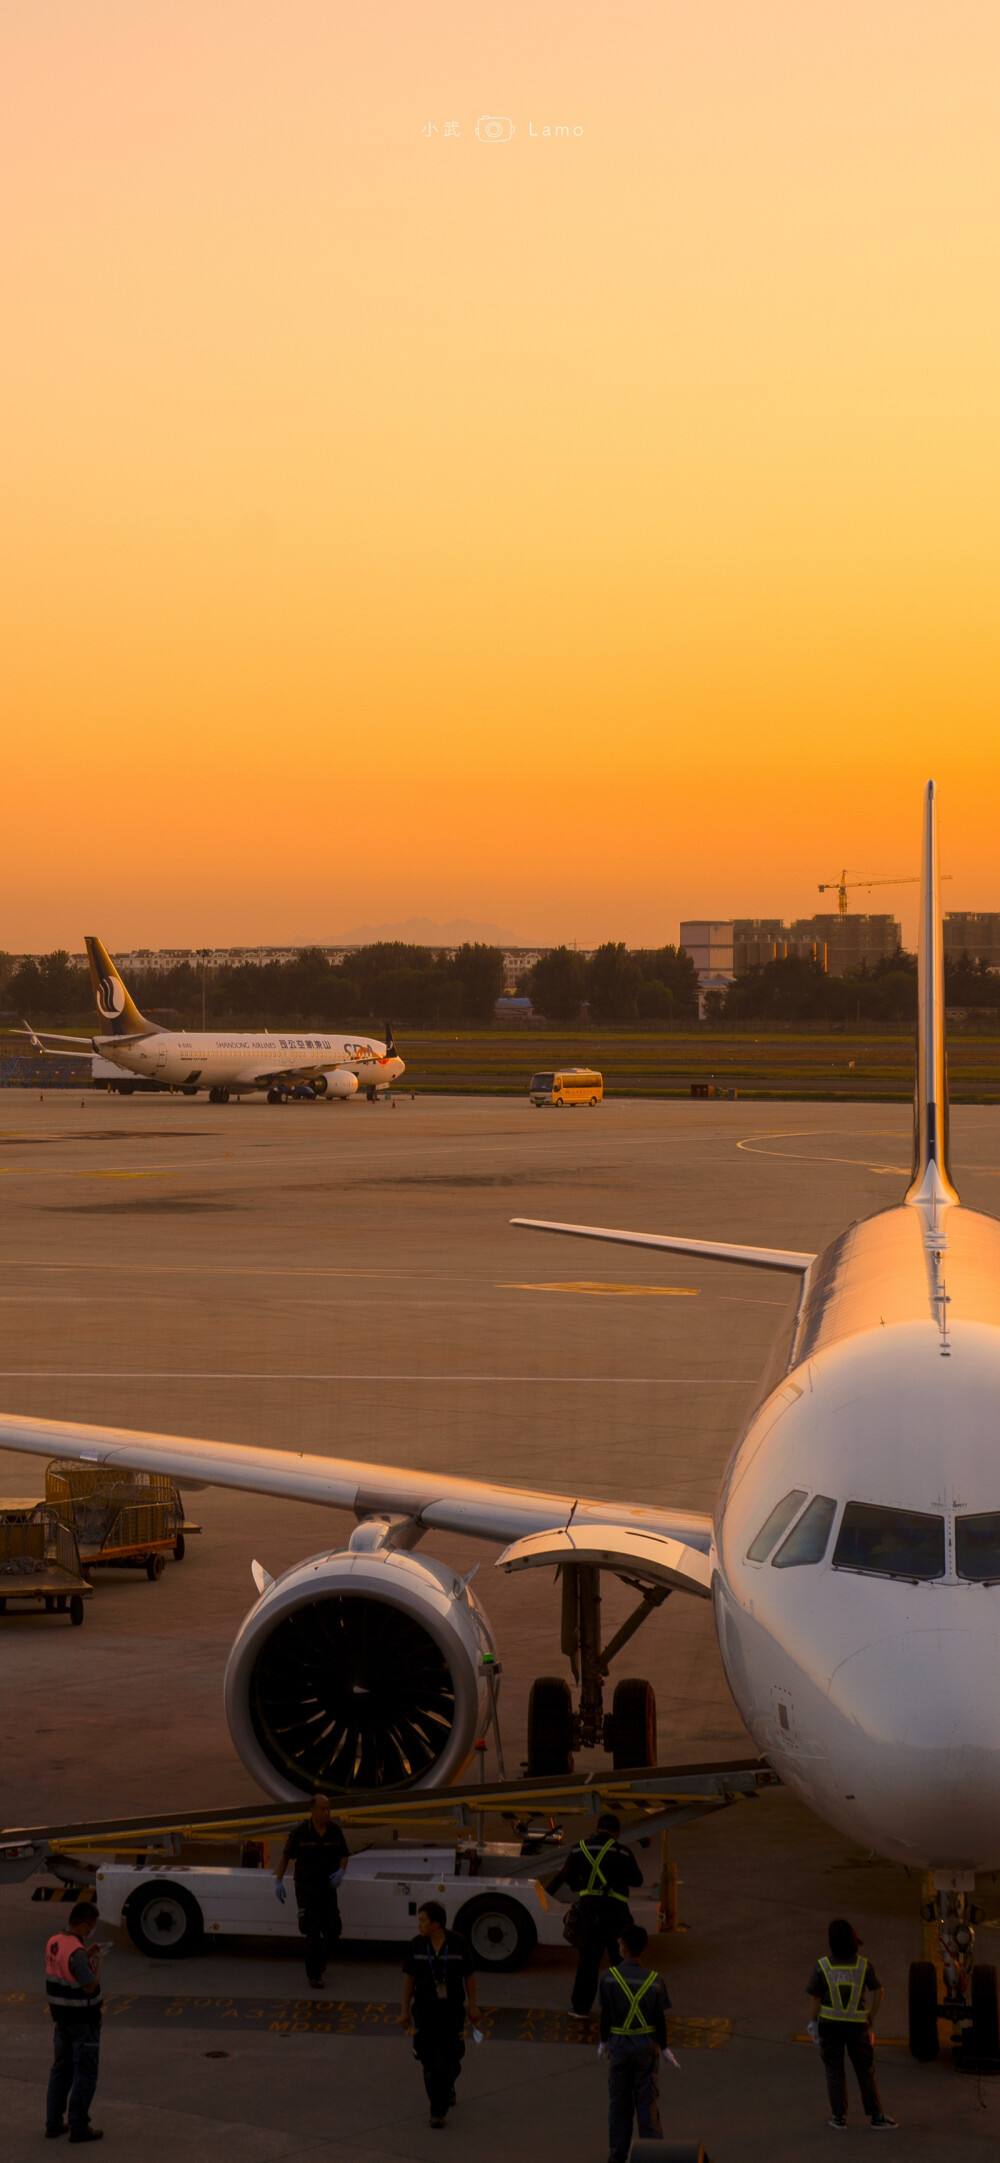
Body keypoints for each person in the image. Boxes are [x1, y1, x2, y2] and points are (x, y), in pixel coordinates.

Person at [548, 1811, 643, 2013]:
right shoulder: (623, 1852)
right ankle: (624, 2007)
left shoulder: (579, 1849)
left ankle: (580, 2008)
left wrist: (581, 1888)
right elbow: (637, 1880)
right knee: (621, 1962)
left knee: (588, 1964)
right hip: (617, 1915)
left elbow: (566, 1876)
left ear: (597, 1829)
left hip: (589, 1915)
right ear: (616, 1832)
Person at [806, 1917, 897, 2130]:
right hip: (857, 2027)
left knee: (834, 2072)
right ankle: (876, 2116)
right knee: (865, 2071)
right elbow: (879, 1991)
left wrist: (813, 2022)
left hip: (829, 2027)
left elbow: (816, 1999)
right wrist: (871, 2015)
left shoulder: (822, 1966)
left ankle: (838, 2117)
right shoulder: (863, 1965)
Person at [400, 1900, 480, 2129]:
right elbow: (409, 1981)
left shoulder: (458, 1943)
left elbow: (469, 1976)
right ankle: (438, 2109)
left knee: (452, 2059)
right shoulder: (416, 1945)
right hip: (424, 2012)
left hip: (452, 2011)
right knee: (429, 2062)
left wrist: (473, 2006)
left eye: (423, 1920)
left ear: (436, 1923)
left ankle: (449, 2084)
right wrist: (404, 2010)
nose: (419, 1924)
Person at [599, 1923, 672, 2163]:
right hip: (645, 2050)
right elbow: (659, 2019)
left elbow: (606, 2015)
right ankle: (653, 2155)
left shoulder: (608, 1978)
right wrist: (664, 2047)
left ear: (624, 1946)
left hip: (619, 2048)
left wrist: (603, 2043)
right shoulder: (655, 1980)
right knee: (646, 2103)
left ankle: (617, 2154)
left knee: (619, 2105)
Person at [44, 1900, 105, 2144]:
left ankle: (54, 2123)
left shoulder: (54, 1941)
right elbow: (89, 1985)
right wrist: (98, 1962)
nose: (91, 1931)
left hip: (61, 2019)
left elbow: (66, 1968)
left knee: (61, 2071)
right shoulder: (78, 1953)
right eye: (90, 1927)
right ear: (82, 1923)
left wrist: (85, 1954)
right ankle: (80, 2126)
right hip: (83, 2021)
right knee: (85, 2073)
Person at [275, 1791, 349, 1989]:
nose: (327, 1813)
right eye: (323, 1809)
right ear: (312, 1810)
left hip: (327, 1888)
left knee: (334, 1931)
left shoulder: (334, 1831)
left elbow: (344, 1854)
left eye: (329, 1809)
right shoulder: (300, 1832)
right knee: (312, 1934)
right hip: (307, 1889)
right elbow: (285, 1857)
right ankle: (314, 1975)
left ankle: (321, 1959)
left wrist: (341, 1871)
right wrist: (279, 1881)